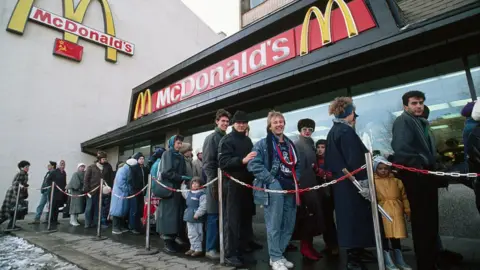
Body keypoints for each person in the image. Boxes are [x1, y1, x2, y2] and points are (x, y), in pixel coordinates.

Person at [324, 97, 376, 270]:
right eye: (353, 113)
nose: (355, 117)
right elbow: (354, 158)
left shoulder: (334, 131)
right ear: (349, 113)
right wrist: (364, 182)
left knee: (350, 217)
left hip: (343, 183)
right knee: (355, 217)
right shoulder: (345, 132)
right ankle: (353, 257)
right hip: (352, 182)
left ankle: (358, 250)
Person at [391, 91, 441, 270]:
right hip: (417, 178)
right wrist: (422, 166)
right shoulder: (403, 121)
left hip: (426, 177)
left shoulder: (421, 121)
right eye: (414, 103)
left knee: (430, 223)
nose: (418, 106)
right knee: (423, 224)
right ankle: (426, 263)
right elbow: (402, 150)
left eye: (420, 102)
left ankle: (432, 259)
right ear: (405, 106)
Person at [248, 110, 301, 270]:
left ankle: (279, 254)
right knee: (274, 225)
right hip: (274, 190)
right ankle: (275, 257)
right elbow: (253, 164)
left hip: (290, 189)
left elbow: (297, 165)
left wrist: (295, 179)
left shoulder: (290, 144)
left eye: (281, 121)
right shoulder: (263, 144)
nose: (279, 124)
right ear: (270, 126)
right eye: (275, 122)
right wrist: (271, 180)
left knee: (288, 224)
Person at [218, 110, 259, 267]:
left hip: (247, 184)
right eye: (238, 122)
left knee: (246, 216)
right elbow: (223, 162)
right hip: (233, 185)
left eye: (244, 122)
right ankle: (230, 253)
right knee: (232, 220)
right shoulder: (227, 140)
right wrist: (242, 160)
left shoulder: (247, 141)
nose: (241, 125)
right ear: (233, 124)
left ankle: (243, 246)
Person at [292, 118, 324, 261]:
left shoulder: (311, 144)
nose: (307, 131)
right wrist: (301, 189)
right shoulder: (298, 145)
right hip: (304, 187)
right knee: (307, 218)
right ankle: (305, 248)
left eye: (310, 129)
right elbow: (297, 168)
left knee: (314, 218)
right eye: (304, 129)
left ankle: (309, 246)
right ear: (300, 130)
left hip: (312, 185)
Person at [202, 109, 231, 259]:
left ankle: (221, 246)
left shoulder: (226, 138)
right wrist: (213, 183)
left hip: (226, 182)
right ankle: (210, 248)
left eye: (227, 121)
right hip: (215, 182)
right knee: (213, 216)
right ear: (217, 121)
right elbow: (207, 163)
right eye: (223, 121)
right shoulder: (212, 138)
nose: (225, 123)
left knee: (223, 216)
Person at [373, 157, 412, 270]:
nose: (383, 171)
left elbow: (404, 197)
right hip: (382, 211)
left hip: (396, 211)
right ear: (375, 169)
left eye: (386, 168)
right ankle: (388, 261)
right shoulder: (373, 182)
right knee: (384, 236)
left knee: (396, 236)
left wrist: (407, 210)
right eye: (380, 168)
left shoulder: (396, 181)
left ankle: (399, 260)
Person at [157, 135, 188, 253]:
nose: (179, 145)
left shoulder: (180, 156)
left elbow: (182, 171)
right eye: (177, 143)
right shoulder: (167, 154)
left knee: (176, 215)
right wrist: (180, 177)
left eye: (180, 143)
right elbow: (166, 172)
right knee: (168, 215)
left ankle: (173, 239)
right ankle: (167, 241)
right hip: (169, 189)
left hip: (177, 189)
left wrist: (183, 178)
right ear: (172, 143)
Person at [315, 139, 338, 256]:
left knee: (329, 219)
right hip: (319, 193)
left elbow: (331, 175)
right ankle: (328, 244)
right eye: (318, 147)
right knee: (324, 219)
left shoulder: (330, 160)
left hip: (330, 192)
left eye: (322, 147)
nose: (320, 149)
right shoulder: (315, 160)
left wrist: (318, 171)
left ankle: (334, 245)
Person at [0, 161, 30, 228]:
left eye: (28, 167)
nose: (28, 168)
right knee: (13, 209)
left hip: (15, 193)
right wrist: (18, 195)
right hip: (14, 194)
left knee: (12, 210)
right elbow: (16, 184)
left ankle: (11, 225)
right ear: (21, 168)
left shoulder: (24, 174)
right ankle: (10, 225)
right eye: (26, 167)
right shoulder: (21, 174)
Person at [110, 159, 137, 234]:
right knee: (117, 210)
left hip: (122, 193)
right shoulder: (123, 170)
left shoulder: (125, 169)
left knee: (121, 210)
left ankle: (120, 227)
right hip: (120, 193)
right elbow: (120, 183)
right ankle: (115, 228)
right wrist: (128, 189)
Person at [183, 177, 207, 257]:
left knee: (198, 233)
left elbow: (203, 206)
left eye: (196, 183)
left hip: (197, 217)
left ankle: (198, 249)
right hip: (189, 216)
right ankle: (193, 247)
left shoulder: (202, 194)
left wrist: (197, 214)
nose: (194, 185)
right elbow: (183, 192)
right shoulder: (189, 192)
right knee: (191, 233)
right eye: (193, 183)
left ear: (201, 185)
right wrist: (182, 185)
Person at [84, 152, 109, 229]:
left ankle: (95, 223)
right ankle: (87, 224)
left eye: (105, 159)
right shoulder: (91, 167)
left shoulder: (104, 168)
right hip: (91, 191)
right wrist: (87, 190)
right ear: (99, 159)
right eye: (103, 159)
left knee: (97, 208)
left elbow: (104, 179)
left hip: (100, 191)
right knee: (89, 208)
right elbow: (86, 179)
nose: (104, 160)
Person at [129, 152, 148, 234]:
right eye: (140, 159)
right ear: (137, 160)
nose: (142, 160)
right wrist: (136, 188)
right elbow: (131, 180)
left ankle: (138, 225)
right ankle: (133, 226)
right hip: (135, 192)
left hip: (142, 192)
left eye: (143, 158)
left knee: (140, 209)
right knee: (134, 209)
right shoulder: (134, 168)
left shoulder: (145, 169)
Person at [47, 160, 67, 224]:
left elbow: (64, 182)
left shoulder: (64, 172)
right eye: (61, 164)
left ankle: (55, 220)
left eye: (63, 164)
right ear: (58, 165)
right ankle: (50, 220)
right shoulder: (54, 172)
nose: (62, 165)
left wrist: (65, 189)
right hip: (53, 192)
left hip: (60, 192)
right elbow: (48, 180)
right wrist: (52, 186)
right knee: (52, 206)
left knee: (57, 206)